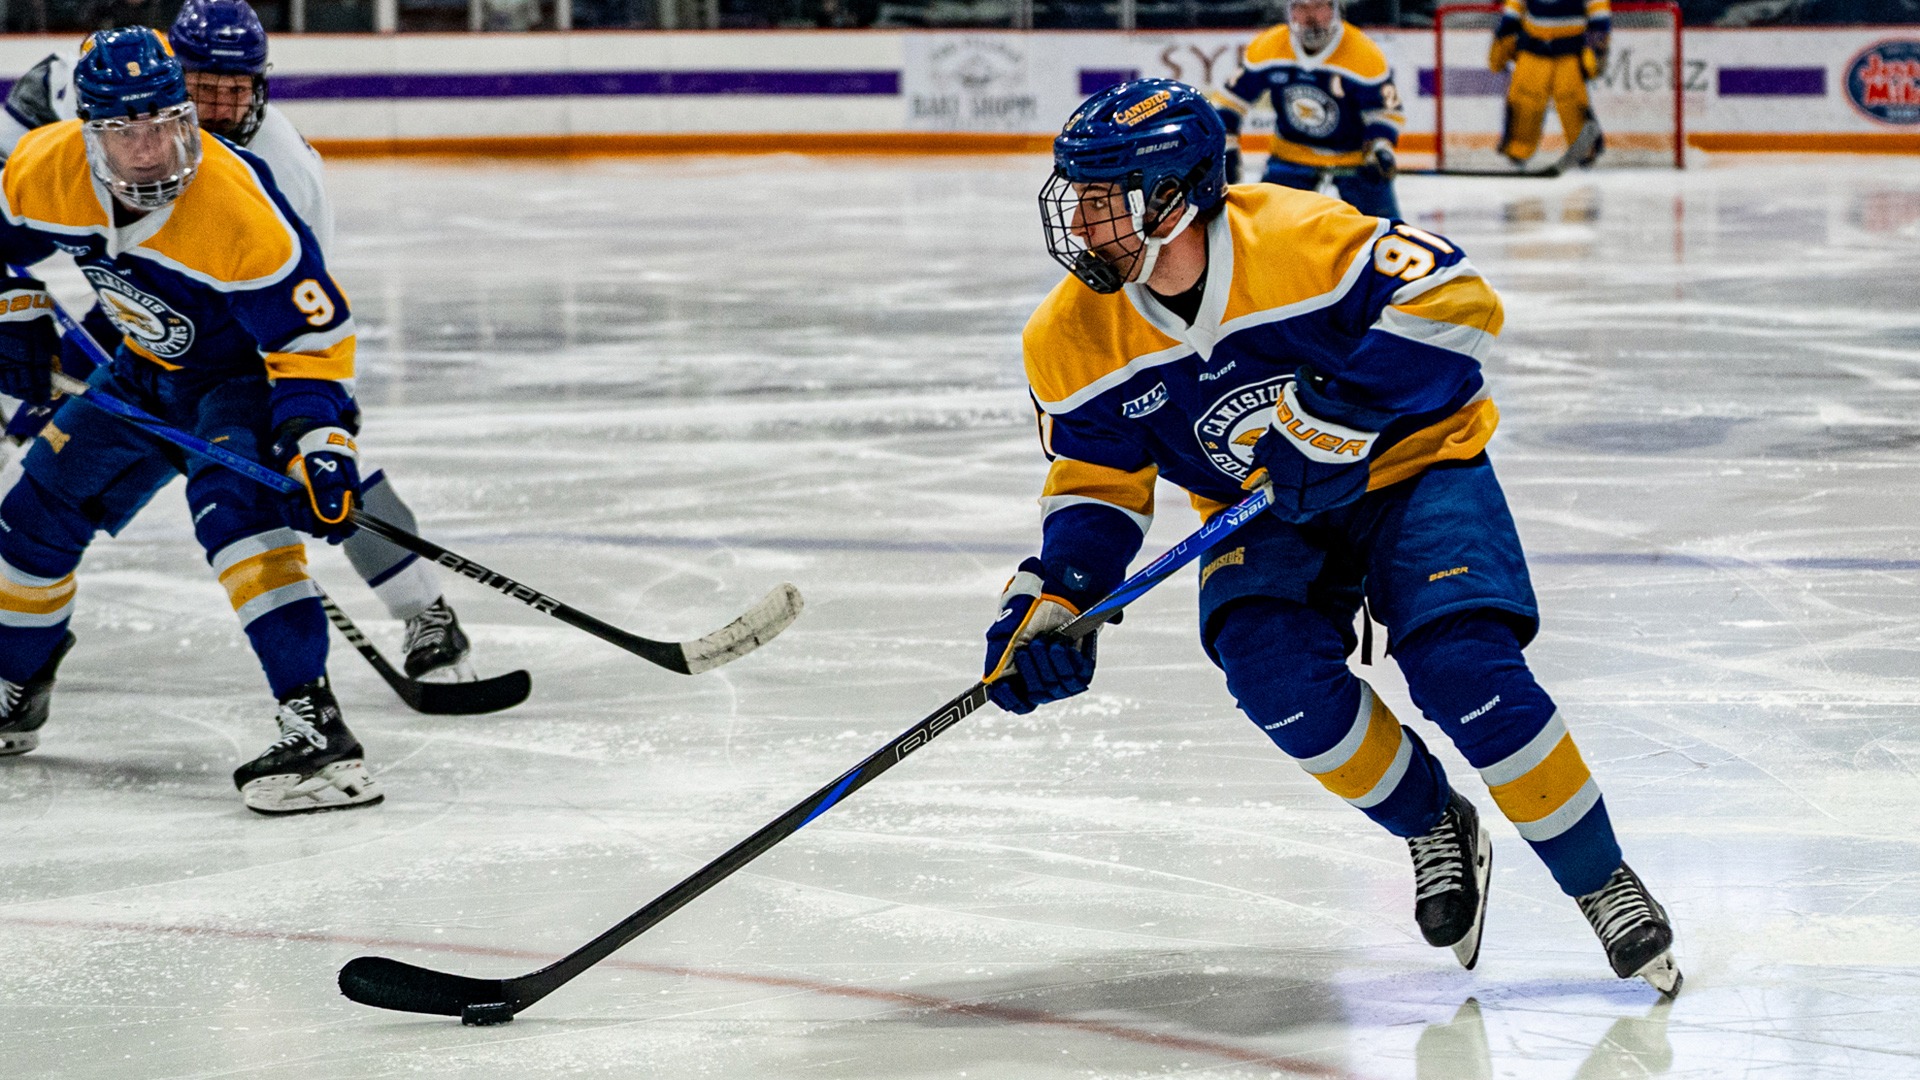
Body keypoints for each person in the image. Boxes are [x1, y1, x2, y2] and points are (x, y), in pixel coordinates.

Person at [991, 79, 1680, 994]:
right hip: (1262, 507)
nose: (1080, 221)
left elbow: (1458, 297)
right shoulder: (1068, 337)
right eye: (1075, 194)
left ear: (1173, 195)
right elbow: (1099, 484)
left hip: (1413, 469)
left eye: (1102, 197)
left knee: (1461, 667)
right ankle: (1434, 823)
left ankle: (1602, 881)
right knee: (1270, 672)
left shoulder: (1300, 239)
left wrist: (1342, 415)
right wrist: (1056, 596)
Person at [0, 0, 477, 684]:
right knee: (42, 419)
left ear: (260, 84)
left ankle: (421, 607)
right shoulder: (139, 98)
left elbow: (302, 322)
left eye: (237, 90)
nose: (220, 105)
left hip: (251, 335)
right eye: (204, 90)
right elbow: (45, 96)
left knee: (308, 470)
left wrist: (304, 425)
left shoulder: (277, 172)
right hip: (146, 308)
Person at [0, 27, 380, 815]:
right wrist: (15, 308)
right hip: (142, 368)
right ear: (88, 130)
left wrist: (319, 439)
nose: (149, 152)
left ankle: (318, 733)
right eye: (124, 132)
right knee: (32, 516)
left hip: (238, 378)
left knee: (239, 522)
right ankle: (15, 685)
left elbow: (310, 340)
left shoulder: (240, 211)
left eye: (167, 125)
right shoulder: (47, 167)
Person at [1213, 0, 1405, 218]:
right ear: (1289, 11)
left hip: (1354, 161)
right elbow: (1229, 101)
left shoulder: (1364, 53)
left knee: (1387, 234)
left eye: (1319, 6)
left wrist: (1380, 148)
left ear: (1335, 9)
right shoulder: (1269, 46)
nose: (1310, 16)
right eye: (1301, 7)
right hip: (1290, 157)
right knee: (1263, 228)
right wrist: (1227, 146)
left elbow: (1386, 112)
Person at [1490, 0, 1610, 168]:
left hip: (1569, 51)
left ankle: (1585, 152)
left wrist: (1596, 47)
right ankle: (1517, 152)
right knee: (1525, 101)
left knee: (1573, 102)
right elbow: (1514, 8)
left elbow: (1599, 14)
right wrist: (1504, 33)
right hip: (1533, 47)